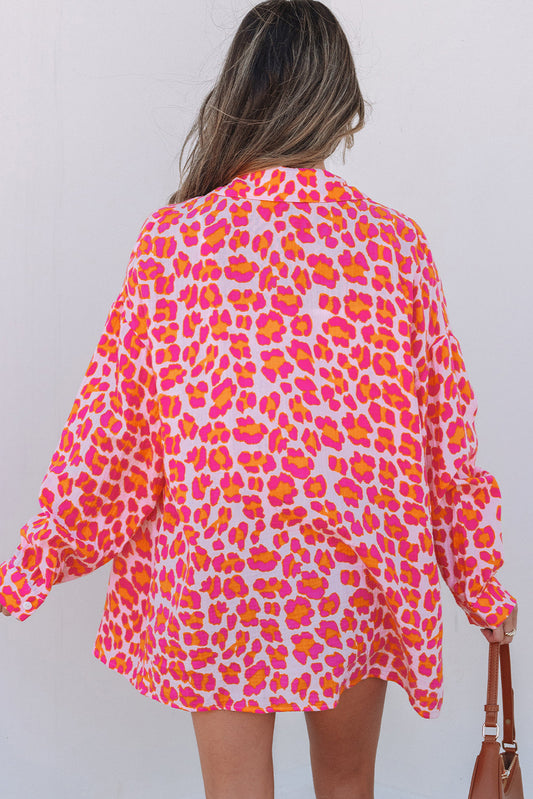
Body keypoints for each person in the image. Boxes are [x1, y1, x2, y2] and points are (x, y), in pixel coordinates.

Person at [0, 1, 518, 797]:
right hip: (356, 554)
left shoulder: (174, 243)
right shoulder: (395, 246)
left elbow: (111, 433)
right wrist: (479, 581)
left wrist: (30, 565)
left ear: (239, 95)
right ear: (338, 105)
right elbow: (443, 439)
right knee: (347, 784)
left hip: (224, 553)